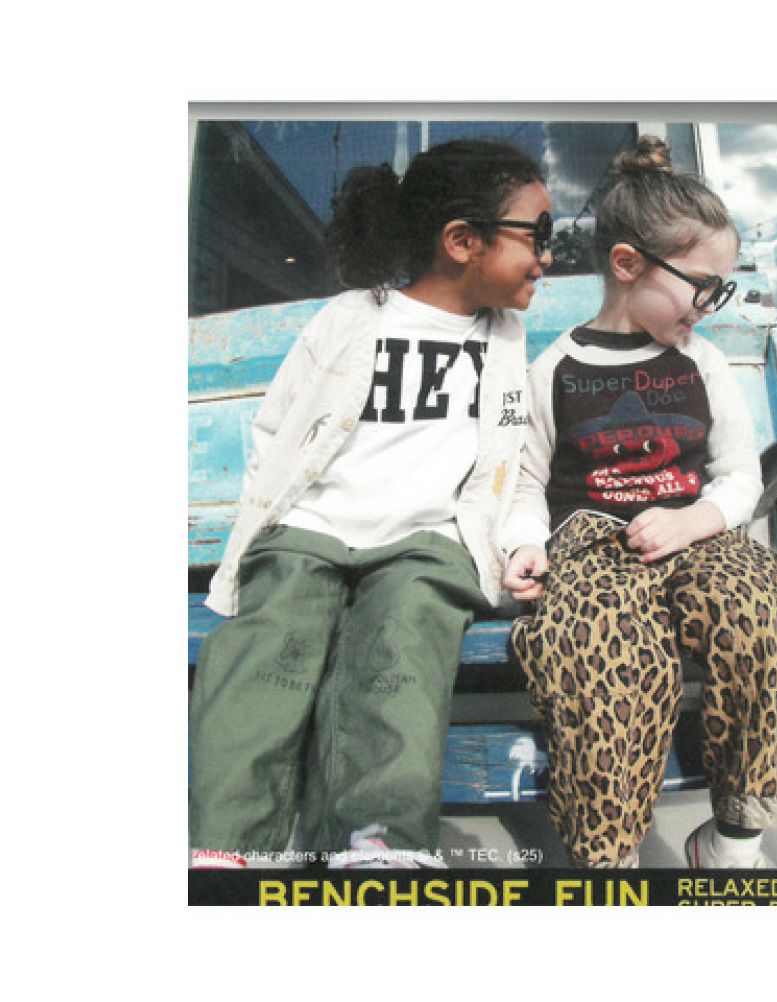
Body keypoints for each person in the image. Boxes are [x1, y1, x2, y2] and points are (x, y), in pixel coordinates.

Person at [189, 139, 553, 869]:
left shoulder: (505, 342)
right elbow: (278, 428)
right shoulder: (353, 318)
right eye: (536, 234)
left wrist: (520, 540)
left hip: (426, 542)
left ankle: (377, 843)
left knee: (402, 657)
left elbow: (513, 464)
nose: (546, 256)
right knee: (264, 652)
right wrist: (266, 522)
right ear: (462, 241)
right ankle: (229, 845)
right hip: (312, 528)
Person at [500, 136, 777, 869]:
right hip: (591, 545)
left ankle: (732, 840)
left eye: (720, 290)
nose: (711, 305)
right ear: (627, 265)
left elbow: (738, 474)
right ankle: (609, 861)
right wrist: (523, 543)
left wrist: (696, 518)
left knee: (773, 609)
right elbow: (524, 481)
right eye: (704, 286)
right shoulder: (554, 369)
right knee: (598, 656)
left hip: (696, 534)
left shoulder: (701, 361)